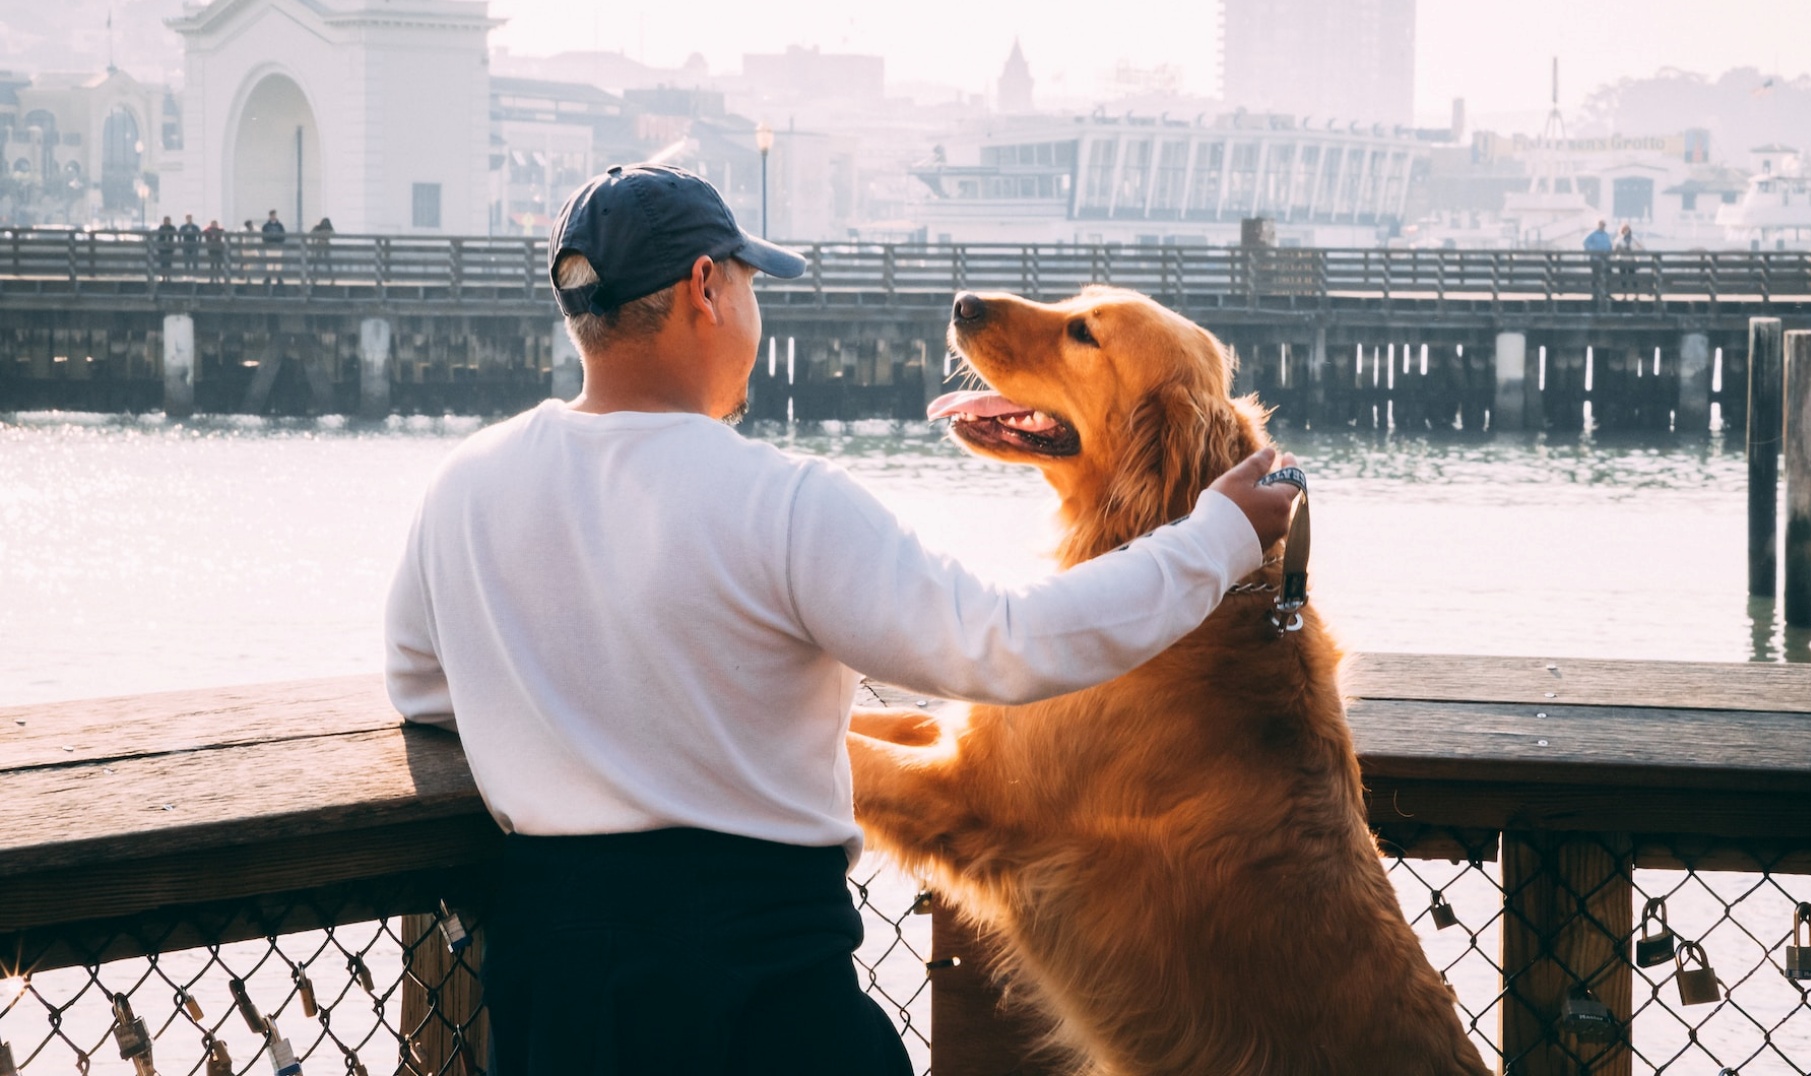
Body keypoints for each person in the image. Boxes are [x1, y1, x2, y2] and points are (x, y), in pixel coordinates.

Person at [384, 164, 1302, 1076]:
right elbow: (1003, 642)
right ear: (708, 289)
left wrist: (577, 719)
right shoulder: (781, 501)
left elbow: (422, 690)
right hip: (754, 974)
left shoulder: (461, 487)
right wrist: (1217, 538)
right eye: (748, 282)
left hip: (555, 983)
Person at [261, 209, 287, 290]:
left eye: (274, 215)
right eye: (272, 215)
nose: (273, 217)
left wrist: (279, 242)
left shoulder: (280, 226)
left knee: (278, 263)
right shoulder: (265, 226)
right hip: (269, 246)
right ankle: (269, 278)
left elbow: (283, 235)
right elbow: (263, 236)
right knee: (270, 263)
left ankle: (278, 278)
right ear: (270, 216)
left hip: (278, 246)